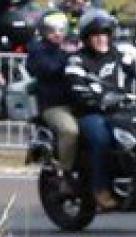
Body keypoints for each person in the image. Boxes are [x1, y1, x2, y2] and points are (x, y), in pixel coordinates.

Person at [65, 10, 136, 209]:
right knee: (102, 138)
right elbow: (75, 85)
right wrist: (94, 100)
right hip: (91, 113)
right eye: (95, 35)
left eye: (104, 34)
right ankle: (100, 189)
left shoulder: (120, 56)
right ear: (87, 38)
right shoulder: (78, 60)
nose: (101, 39)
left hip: (119, 111)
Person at [28, 15, 101, 199]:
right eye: (52, 31)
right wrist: (69, 57)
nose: (57, 34)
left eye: (61, 30)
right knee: (69, 130)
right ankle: (64, 174)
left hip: (81, 103)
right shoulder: (39, 50)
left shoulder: (75, 47)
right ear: (44, 32)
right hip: (55, 105)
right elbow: (46, 69)